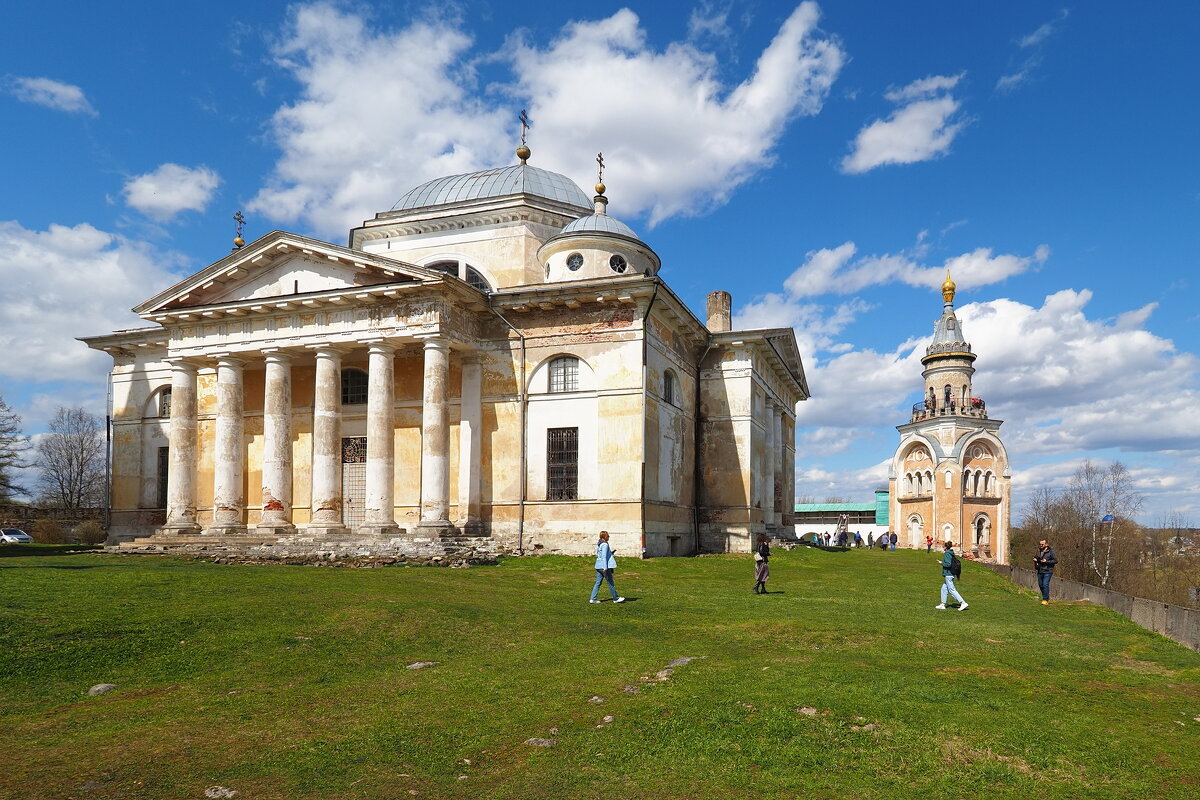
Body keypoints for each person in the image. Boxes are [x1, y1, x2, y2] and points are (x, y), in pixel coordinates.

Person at [589, 531, 625, 604]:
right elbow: (604, 556)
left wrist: (611, 553)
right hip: (603, 567)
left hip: (598, 566)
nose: (609, 537)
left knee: (598, 583)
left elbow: (601, 554)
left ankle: (593, 598)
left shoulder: (599, 544)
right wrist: (605, 568)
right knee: (610, 582)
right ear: (604, 537)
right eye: (608, 536)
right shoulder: (605, 544)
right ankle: (615, 598)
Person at [935, 540, 968, 611]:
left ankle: (963, 602)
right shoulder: (951, 552)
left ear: (945, 547)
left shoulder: (947, 553)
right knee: (944, 589)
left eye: (943, 546)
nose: (942, 547)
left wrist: (941, 563)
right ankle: (942, 604)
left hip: (948, 574)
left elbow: (948, 564)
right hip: (951, 573)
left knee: (952, 589)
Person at [1034, 539, 1058, 605]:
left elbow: (1055, 560)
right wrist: (1035, 559)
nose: (1041, 545)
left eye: (1042, 544)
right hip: (1040, 570)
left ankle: (1045, 599)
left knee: (1045, 584)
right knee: (1040, 585)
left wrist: (1046, 561)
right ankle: (1045, 597)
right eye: (1040, 544)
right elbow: (1037, 557)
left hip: (1048, 571)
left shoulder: (1051, 551)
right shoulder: (1039, 550)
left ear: (1046, 544)